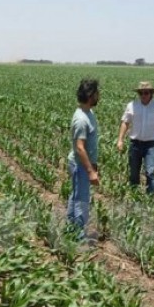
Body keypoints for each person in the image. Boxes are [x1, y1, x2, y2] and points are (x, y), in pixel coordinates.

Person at [116, 81, 154, 195]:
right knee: (134, 173)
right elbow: (125, 123)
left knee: (150, 172)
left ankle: (151, 200)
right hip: (135, 143)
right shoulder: (132, 106)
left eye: (146, 93)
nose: (143, 95)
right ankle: (134, 197)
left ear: (151, 94)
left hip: (150, 145)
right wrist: (120, 140)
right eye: (141, 93)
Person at [66, 78, 100, 239]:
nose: (99, 96)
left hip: (82, 164)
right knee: (82, 200)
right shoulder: (81, 119)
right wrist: (90, 171)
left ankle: (71, 229)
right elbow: (80, 147)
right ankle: (78, 237)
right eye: (97, 93)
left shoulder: (88, 113)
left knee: (76, 196)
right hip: (80, 165)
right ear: (90, 95)